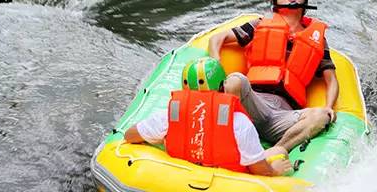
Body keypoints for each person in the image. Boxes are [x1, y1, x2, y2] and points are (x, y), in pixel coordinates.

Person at [208, 0, 339, 152]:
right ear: (275, 2)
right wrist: (215, 62)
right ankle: (223, 141)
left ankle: (275, 152)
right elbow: (217, 38)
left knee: (322, 116)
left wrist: (329, 106)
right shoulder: (260, 25)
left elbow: (331, 81)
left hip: (285, 115)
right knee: (235, 80)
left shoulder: (318, 39)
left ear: (304, 1)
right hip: (253, 102)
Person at [124, 57, 293, 176]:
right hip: (228, 182)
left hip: (178, 177)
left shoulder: (169, 116)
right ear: (222, 87)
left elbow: (130, 136)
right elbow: (260, 170)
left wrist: (162, 140)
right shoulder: (239, 122)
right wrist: (274, 170)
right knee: (278, 151)